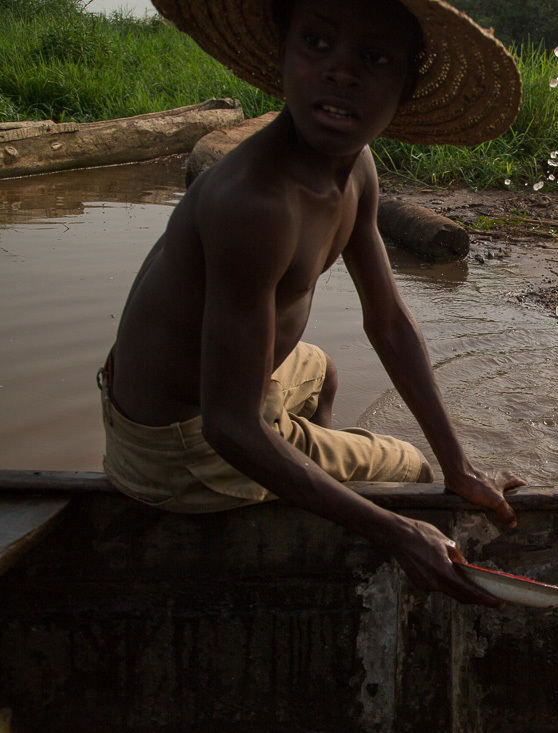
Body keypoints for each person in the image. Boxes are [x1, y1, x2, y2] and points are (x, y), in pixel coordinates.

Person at [97, 0, 525, 606]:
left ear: (406, 88)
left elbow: (391, 326)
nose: (340, 72)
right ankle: (317, 498)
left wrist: (462, 463)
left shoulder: (355, 171)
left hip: (211, 401)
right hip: (179, 447)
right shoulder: (256, 204)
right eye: (317, 44)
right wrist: (399, 529)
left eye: (373, 58)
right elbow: (228, 426)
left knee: (322, 370)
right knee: (410, 471)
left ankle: (305, 485)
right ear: (283, 56)